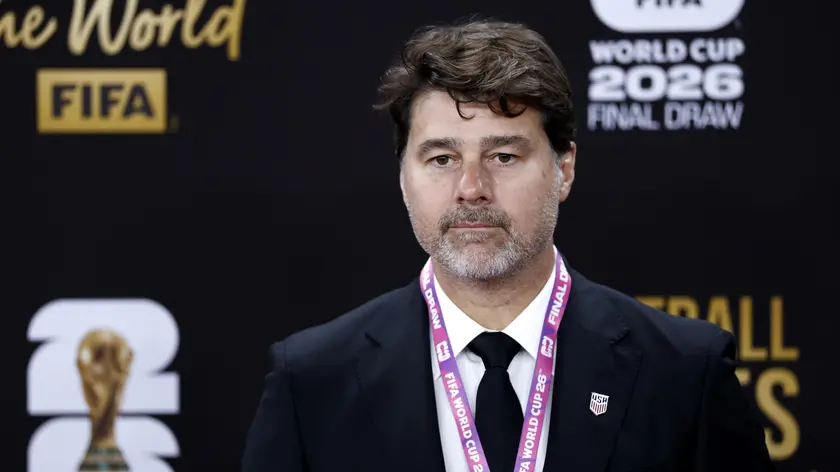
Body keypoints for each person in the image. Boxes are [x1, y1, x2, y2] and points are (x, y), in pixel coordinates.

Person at [241, 18, 774, 472]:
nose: (471, 188)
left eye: (503, 156)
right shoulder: (311, 381)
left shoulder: (685, 372)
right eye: (442, 159)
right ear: (403, 179)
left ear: (564, 169)